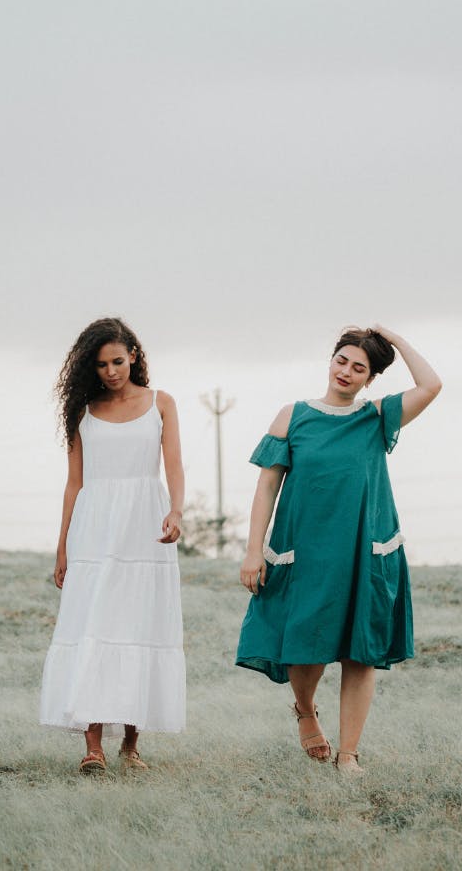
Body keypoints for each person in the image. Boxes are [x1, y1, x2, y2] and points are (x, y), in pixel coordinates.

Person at [236, 324, 441, 775]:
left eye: (360, 367)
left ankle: (348, 753)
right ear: (331, 361)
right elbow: (267, 485)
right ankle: (306, 711)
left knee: (361, 652)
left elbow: (431, 385)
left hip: (366, 552)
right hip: (306, 551)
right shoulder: (293, 416)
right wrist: (254, 550)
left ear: (371, 379)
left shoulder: (378, 416)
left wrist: (397, 341)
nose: (346, 371)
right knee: (304, 648)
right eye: (342, 360)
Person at [40, 317, 186, 773]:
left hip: (145, 525)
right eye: (101, 365)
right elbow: (73, 484)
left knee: (139, 627)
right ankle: (93, 746)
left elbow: (175, 467)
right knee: (92, 625)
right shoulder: (82, 410)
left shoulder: (161, 403)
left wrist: (177, 511)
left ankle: (130, 744)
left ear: (134, 357)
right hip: (95, 527)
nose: (110, 372)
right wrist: (62, 547)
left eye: (118, 362)